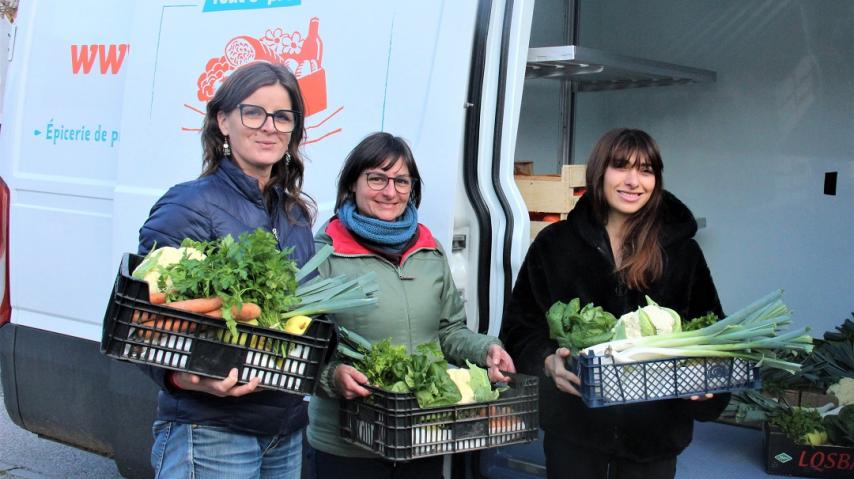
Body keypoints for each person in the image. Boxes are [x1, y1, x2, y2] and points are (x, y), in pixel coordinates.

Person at [499, 128, 729, 479]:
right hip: (575, 431)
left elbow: (711, 330)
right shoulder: (555, 245)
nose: (634, 181)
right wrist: (547, 361)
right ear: (599, 173)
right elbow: (520, 327)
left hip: (653, 438)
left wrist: (706, 384)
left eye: (646, 170)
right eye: (621, 166)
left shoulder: (682, 253)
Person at [137, 62, 315, 479]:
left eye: (282, 117)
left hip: (284, 428)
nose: (268, 126)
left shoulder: (294, 213)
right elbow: (140, 320)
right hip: (212, 430)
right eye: (253, 112)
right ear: (222, 121)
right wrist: (183, 378)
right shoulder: (189, 205)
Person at [306, 132, 516, 479]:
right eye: (376, 178)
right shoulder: (324, 253)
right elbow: (302, 349)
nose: (390, 191)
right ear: (352, 184)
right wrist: (332, 376)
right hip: (348, 444)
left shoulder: (429, 250)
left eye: (401, 181)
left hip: (423, 433)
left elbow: (449, 331)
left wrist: (487, 349)